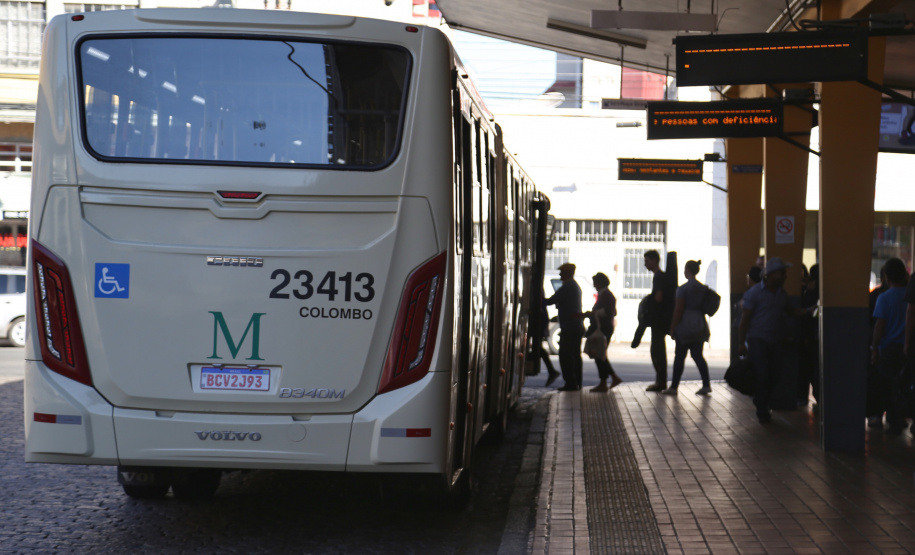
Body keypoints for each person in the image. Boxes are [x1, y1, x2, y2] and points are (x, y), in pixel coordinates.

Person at [737, 257, 811, 423]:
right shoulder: (754, 294)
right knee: (762, 375)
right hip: (757, 341)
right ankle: (762, 409)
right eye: (782, 273)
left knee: (775, 375)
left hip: (776, 342)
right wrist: (741, 343)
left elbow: (790, 311)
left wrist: (808, 311)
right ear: (771, 275)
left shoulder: (781, 294)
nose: (785, 276)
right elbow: (745, 320)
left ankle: (761, 400)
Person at [871, 258, 909, 432]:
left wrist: (874, 348)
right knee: (903, 384)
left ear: (886, 277)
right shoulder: (909, 296)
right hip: (907, 348)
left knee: (885, 384)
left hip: (889, 348)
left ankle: (883, 417)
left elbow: (880, 325)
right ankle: (899, 418)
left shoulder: (884, 298)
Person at [663, 260, 711, 396]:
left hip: (684, 325)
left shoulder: (683, 289)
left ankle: (673, 387)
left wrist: (672, 328)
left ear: (688, 270)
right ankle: (706, 385)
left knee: (679, 356)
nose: (684, 272)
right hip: (700, 324)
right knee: (698, 356)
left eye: (685, 269)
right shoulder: (702, 288)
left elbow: (678, 310)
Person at [545, 263, 584, 391]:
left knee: (565, 355)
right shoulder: (573, 286)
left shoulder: (568, 287)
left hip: (570, 327)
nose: (560, 275)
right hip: (575, 326)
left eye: (562, 272)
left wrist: (537, 300)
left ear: (568, 273)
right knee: (575, 356)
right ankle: (577, 382)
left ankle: (571, 383)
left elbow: (551, 300)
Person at [583, 272, 623, 393]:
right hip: (604, 328)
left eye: (595, 282)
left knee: (599, 355)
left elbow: (609, 312)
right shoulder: (606, 294)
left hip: (603, 328)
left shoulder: (606, 295)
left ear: (599, 283)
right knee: (600, 355)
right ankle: (612, 378)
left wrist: (593, 313)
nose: (594, 285)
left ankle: (604, 382)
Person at [644, 250, 675, 392]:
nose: (645, 264)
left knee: (657, 351)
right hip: (662, 319)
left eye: (647, 261)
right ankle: (660, 380)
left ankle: (661, 381)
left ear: (655, 260)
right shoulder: (661, 277)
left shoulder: (658, 278)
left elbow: (658, 298)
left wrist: (650, 303)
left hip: (659, 319)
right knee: (657, 349)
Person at [798, 263, 820, 407]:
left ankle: (804, 397)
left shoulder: (809, 293)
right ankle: (819, 397)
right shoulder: (820, 291)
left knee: (808, 368)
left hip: (809, 335)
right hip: (815, 335)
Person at [540, 293, 560, 387]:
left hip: (541, 320)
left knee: (538, 347)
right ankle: (551, 370)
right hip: (543, 319)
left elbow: (549, 301)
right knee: (538, 347)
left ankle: (551, 371)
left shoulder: (568, 286)